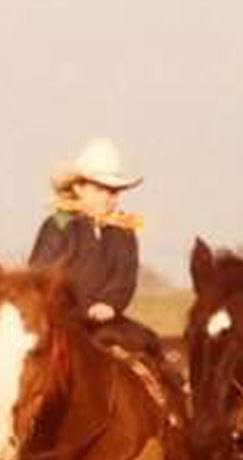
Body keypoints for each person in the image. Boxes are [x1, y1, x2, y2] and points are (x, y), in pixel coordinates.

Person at [28, 138, 159, 358]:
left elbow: (124, 277)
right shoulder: (59, 224)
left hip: (108, 322)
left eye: (114, 192)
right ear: (78, 188)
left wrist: (110, 304)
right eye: (100, 189)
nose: (108, 198)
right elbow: (41, 278)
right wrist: (81, 308)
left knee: (149, 344)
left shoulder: (124, 231)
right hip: (61, 323)